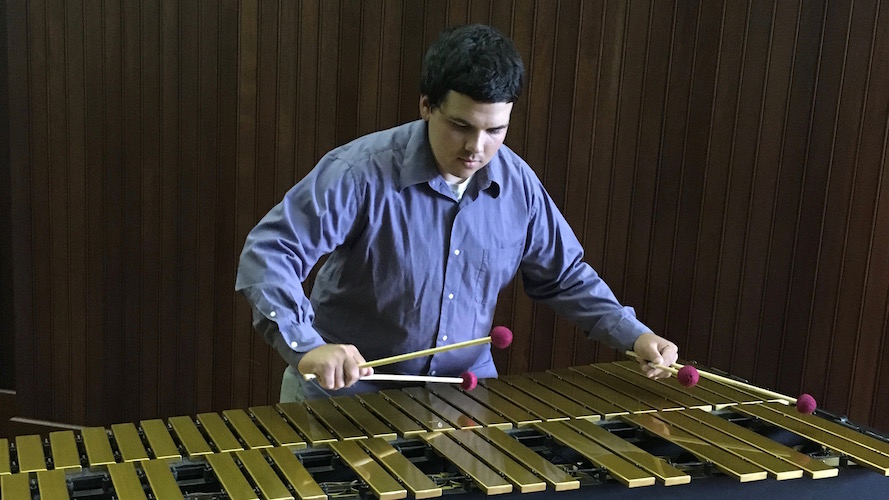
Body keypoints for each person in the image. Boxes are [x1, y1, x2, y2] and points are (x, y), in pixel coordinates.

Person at [236, 24, 679, 402]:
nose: (477, 148)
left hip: (460, 397)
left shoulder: (516, 184)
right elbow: (270, 252)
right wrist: (307, 346)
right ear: (427, 106)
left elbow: (564, 276)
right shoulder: (360, 172)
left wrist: (635, 335)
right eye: (461, 126)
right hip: (346, 397)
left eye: (496, 131)